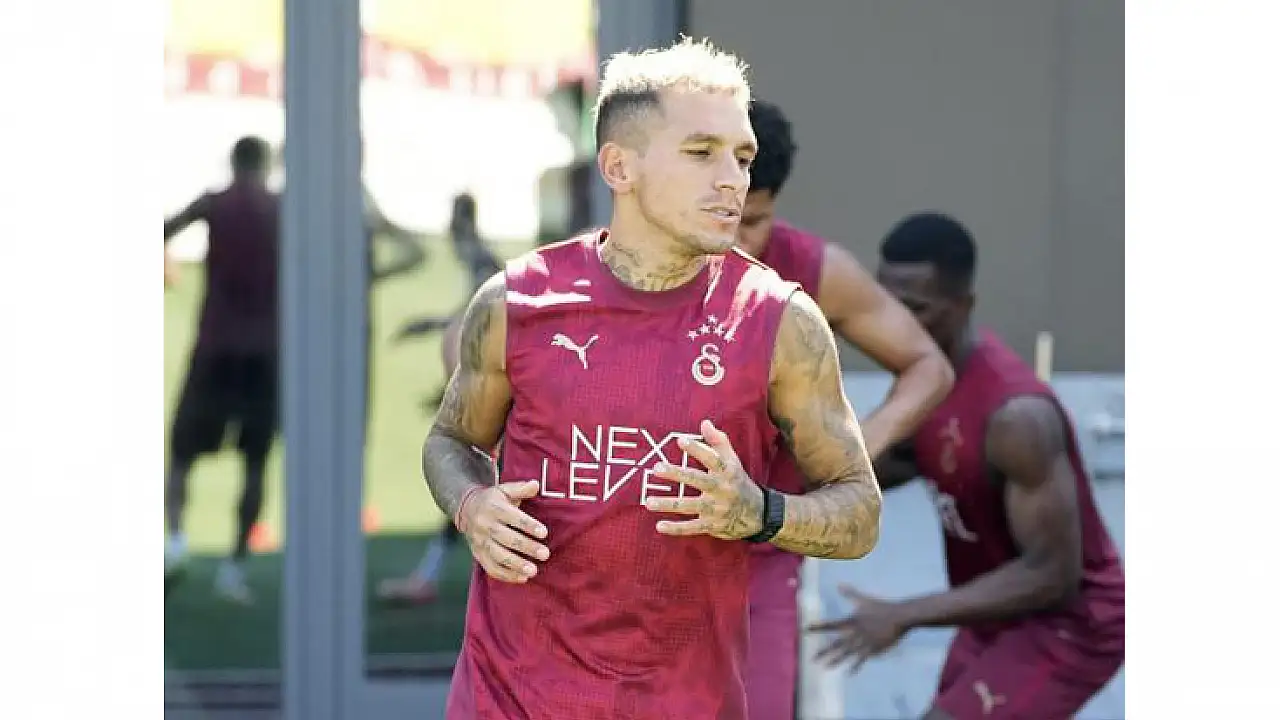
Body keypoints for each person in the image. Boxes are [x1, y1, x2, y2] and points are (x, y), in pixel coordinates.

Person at [424, 38, 883, 719]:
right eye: (702, 152)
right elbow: (450, 440)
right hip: (509, 697)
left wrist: (761, 513)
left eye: (742, 157)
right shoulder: (516, 302)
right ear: (619, 167)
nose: (733, 180)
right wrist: (472, 504)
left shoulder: (779, 322)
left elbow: (860, 512)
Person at [808, 212, 1125, 720]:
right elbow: (869, 469)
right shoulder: (926, 382)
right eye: (887, 305)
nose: (897, 323)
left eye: (916, 309)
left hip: (1069, 623)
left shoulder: (1016, 418)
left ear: (964, 305)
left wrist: (903, 614)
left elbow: (1053, 575)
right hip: (997, 612)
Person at [736, 100, 954, 720]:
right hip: (645, 556)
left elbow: (928, 367)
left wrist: (852, 458)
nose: (733, 241)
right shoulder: (634, 266)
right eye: (720, 216)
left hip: (761, 553)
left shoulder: (812, 270)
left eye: (753, 221)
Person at [163, 136, 280, 604]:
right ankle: (234, 566)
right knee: (255, 461)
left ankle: (176, 542)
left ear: (232, 163)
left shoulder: (214, 202)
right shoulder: (281, 209)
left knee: (181, 452)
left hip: (215, 346)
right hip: (265, 350)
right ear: (266, 165)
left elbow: (164, 229)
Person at [376, 195, 497, 604]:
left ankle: (433, 578)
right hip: (485, 387)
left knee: (475, 476)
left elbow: (488, 317)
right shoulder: (479, 263)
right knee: (474, 478)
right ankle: (430, 576)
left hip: (494, 392)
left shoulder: (483, 263)